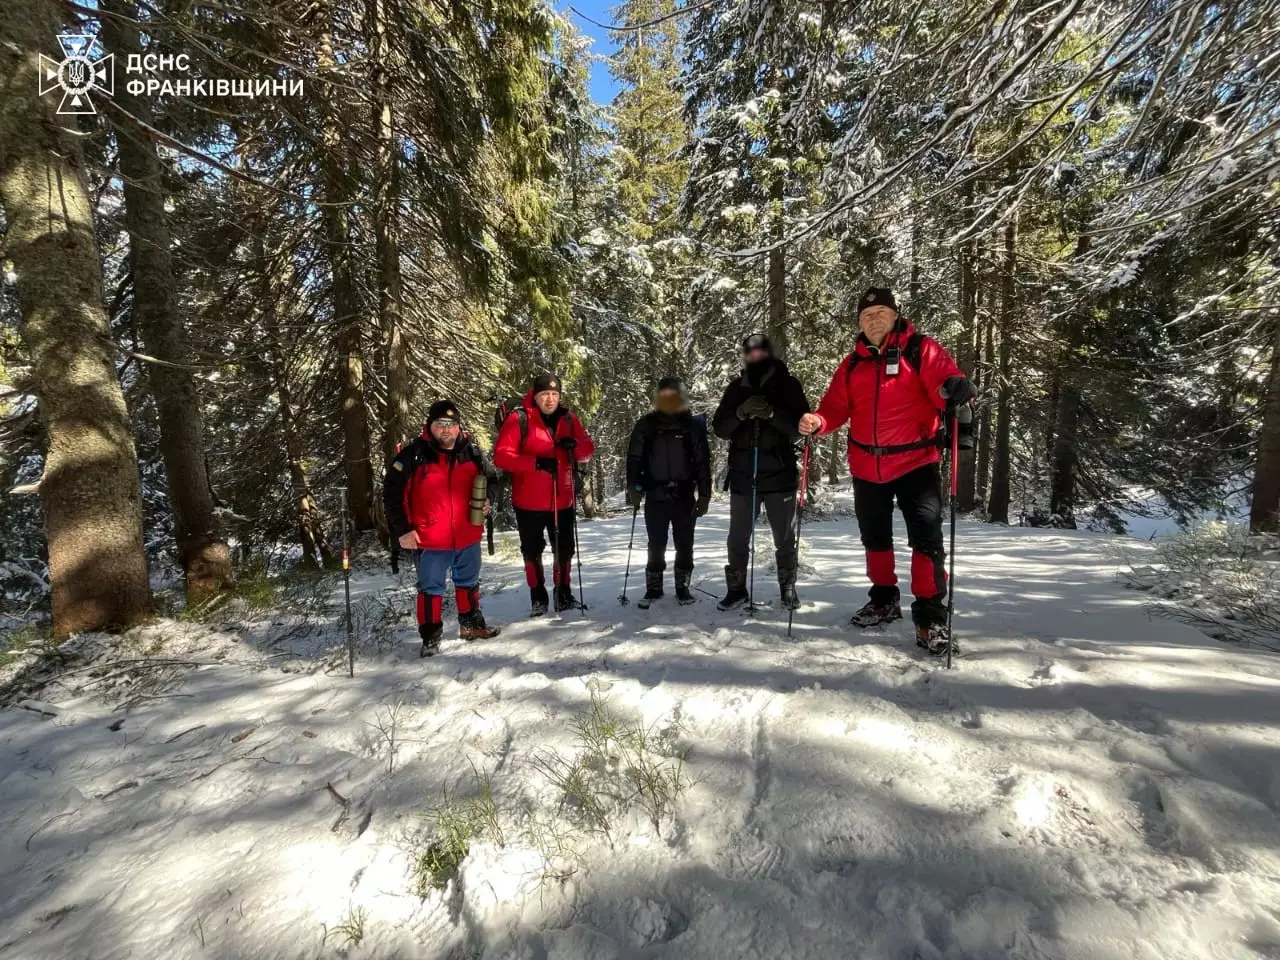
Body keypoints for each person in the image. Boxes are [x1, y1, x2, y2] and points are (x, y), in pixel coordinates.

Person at [799, 286, 975, 655]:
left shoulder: (921, 349)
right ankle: (883, 600)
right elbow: (834, 406)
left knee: (926, 542)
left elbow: (944, 379)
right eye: (866, 315)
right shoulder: (852, 364)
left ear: (895, 315)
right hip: (866, 466)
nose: (873, 319)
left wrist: (952, 386)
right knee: (875, 539)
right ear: (859, 323)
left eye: (880, 312)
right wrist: (818, 420)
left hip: (916, 463)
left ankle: (930, 618)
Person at [384, 400, 502, 657]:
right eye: (440, 424)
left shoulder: (472, 452)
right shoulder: (413, 454)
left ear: (459, 427)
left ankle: (471, 626)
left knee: (468, 582)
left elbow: (492, 480)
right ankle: (430, 638)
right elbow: (393, 494)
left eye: (451, 425)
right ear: (430, 426)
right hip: (429, 538)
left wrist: (489, 501)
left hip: (467, 534)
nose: (446, 430)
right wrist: (403, 530)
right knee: (430, 589)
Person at [712, 333, 812, 612]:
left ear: (769, 353)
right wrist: (741, 413)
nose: (755, 356)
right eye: (750, 352)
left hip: (779, 476)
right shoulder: (735, 388)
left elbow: (800, 428)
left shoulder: (788, 385)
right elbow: (720, 428)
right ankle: (736, 590)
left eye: (760, 351)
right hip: (744, 476)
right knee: (737, 538)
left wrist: (771, 415)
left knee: (784, 537)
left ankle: (788, 589)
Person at [494, 373, 596, 615]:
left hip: (562, 498)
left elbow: (587, 448)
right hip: (528, 501)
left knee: (564, 549)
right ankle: (538, 597)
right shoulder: (519, 419)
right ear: (535, 396)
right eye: (545, 394)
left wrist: (575, 446)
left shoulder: (569, 418)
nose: (550, 399)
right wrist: (535, 463)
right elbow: (501, 456)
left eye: (554, 394)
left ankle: (563, 594)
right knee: (532, 550)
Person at [625, 377, 712, 607]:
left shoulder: (692, 425)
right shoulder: (645, 425)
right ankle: (653, 588)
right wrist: (633, 487)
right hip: (655, 494)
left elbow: (703, 462)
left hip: (684, 495)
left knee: (685, 544)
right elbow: (634, 459)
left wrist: (705, 494)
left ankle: (682, 587)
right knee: (656, 544)